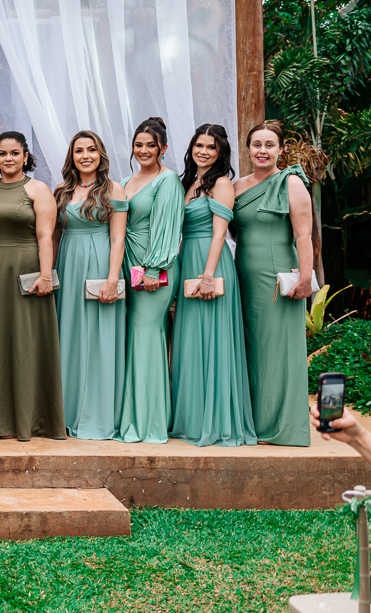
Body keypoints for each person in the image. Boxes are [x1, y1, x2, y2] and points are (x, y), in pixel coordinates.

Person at [170, 124, 257, 447]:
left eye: (211, 147)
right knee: (191, 341)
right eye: (199, 145)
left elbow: (220, 233)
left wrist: (208, 274)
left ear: (221, 152)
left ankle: (216, 420)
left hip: (211, 263)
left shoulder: (221, 184)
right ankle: (190, 418)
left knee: (214, 340)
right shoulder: (187, 183)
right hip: (188, 259)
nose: (204, 151)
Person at [233, 122, 314, 446]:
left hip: (278, 278)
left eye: (269, 144)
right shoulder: (238, 186)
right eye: (256, 144)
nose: (262, 151)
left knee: (276, 351)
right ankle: (252, 422)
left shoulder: (291, 182)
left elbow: (304, 234)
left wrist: (306, 278)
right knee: (250, 350)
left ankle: (279, 427)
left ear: (281, 149)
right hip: (244, 276)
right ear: (248, 148)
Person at [0, 132, 64, 441]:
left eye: (15, 153)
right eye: (3, 153)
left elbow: (45, 236)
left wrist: (45, 276)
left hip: (27, 270)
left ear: (26, 157)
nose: (9, 159)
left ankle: (33, 419)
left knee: (26, 341)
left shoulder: (38, 189)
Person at [51, 131, 127, 440]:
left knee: (98, 336)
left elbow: (118, 238)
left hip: (99, 263)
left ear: (100, 154)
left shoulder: (114, 189)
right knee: (67, 334)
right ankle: (65, 412)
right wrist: (50, 273)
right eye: (79, 150)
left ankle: (96, 413)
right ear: (71, 156)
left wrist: (112, 279)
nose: (85, 155)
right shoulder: (61, 191)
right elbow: (54, 236)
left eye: (91, 150)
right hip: (68, 265)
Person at [118, 117, 184, 444]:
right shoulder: (127, 180)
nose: (143, 150)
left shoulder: (168, 180)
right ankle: (132, 414)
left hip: (153, 270)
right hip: (127, 267)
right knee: (132, 337)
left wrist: (154, 271)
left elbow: (167, 230)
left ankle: (148, 423)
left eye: (150, 145)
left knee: (146, 336)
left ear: (163, 148)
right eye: (138, 144)